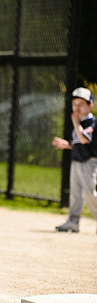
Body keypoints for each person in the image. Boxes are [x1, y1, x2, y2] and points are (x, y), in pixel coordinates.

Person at [52, 87, 97, 233]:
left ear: (91, 105)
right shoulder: (78, 124)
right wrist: (67, 145)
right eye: (74, 104)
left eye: (81, 104)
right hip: (77, 161)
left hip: (89, 163)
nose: (77, 108)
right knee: (76, 194)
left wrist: (76, 122)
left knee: (89, 193)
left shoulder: (91, 122)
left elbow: (84, 139)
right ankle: (73, 221)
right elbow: (78, 143)